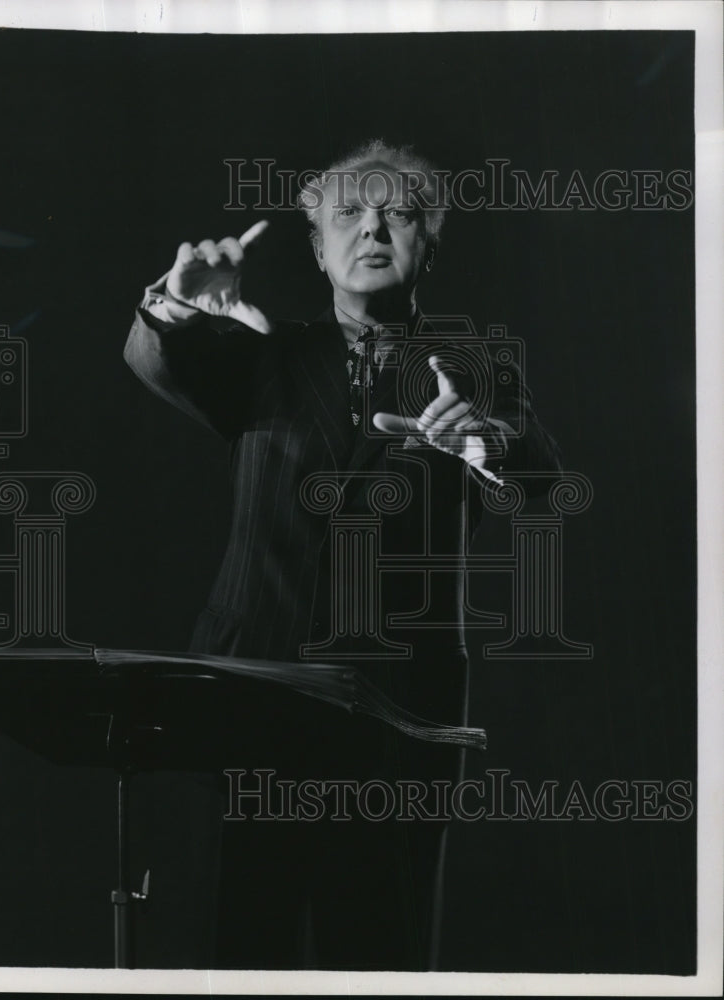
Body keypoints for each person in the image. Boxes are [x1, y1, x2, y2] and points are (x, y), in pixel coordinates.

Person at [124, 139, 561, 969]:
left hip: (399, 703)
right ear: (319, 249)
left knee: (381, 949)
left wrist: (483, 441)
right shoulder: (261, 355)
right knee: (240, 942)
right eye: (349, 214)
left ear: (428, 244)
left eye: (398, 213)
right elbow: (159, 359)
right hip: (254, 687)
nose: (373, 228)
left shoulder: (476, 368)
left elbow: (539, 467)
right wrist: (174, 307)